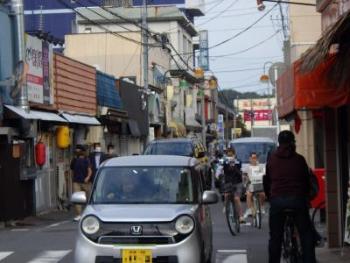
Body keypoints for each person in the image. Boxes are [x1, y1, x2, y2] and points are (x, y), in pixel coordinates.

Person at [264, 130, 316, 263]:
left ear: (279, 143)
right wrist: (305, 196)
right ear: (293, 143)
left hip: (277, 201)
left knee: (275, 238)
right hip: (297, 200)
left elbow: (267, 181)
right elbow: (306, 181)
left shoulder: (272, 160)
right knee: (306, 234)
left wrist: (270, 197)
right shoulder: (300, 160)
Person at [220, 147, 245, 223]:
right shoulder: (224, 161)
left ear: (234, 154)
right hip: (228, 182)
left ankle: (241, 216)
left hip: (237, 182)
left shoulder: (238, 162)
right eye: (228, 155)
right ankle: (225, 206)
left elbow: (242, 171)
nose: (230, 157)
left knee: (237, 199)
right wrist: (219, 174)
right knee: (227, 195)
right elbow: (220, 170)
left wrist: (236, 167)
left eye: (232, 155)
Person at [70, 145, 92, 221]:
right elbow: (72, 169)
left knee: (88, 198)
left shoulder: (86, 159)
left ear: (82, 151)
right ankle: (79, 214)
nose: (77, 152)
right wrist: (72, 178)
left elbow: (89, 170)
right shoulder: (74, 160)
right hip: (76, 181)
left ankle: (88, 213)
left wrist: (88, 177)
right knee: (77, 198)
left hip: (86, 182)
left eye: (78, 150)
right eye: (76, 150)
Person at [243, 152, 266, 218]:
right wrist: (246, 179)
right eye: (252, 158)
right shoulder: (247, 167)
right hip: (251, 185)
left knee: (263, 194)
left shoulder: (261, 166)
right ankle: (250, 209)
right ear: (250, 159)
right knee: (249, 195)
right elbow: (244, 176)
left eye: (255, 158)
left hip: (259, 184)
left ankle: (261, 207)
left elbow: (264, 174)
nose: (254, 159)